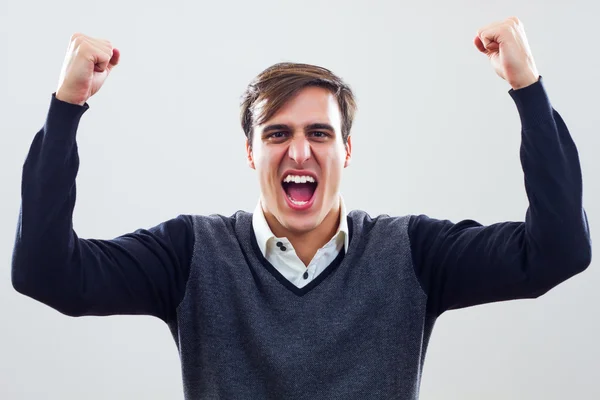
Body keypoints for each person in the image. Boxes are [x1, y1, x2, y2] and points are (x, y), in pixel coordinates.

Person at [11, 16, 592, 400]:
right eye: (276, 133)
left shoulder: (412, 254)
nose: (298, 150)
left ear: (346, 149)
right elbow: (47, 275)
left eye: (319, 132)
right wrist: (67, 107)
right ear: (249, 151)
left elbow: (558, 252)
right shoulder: (191, 255)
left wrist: (528, 90)